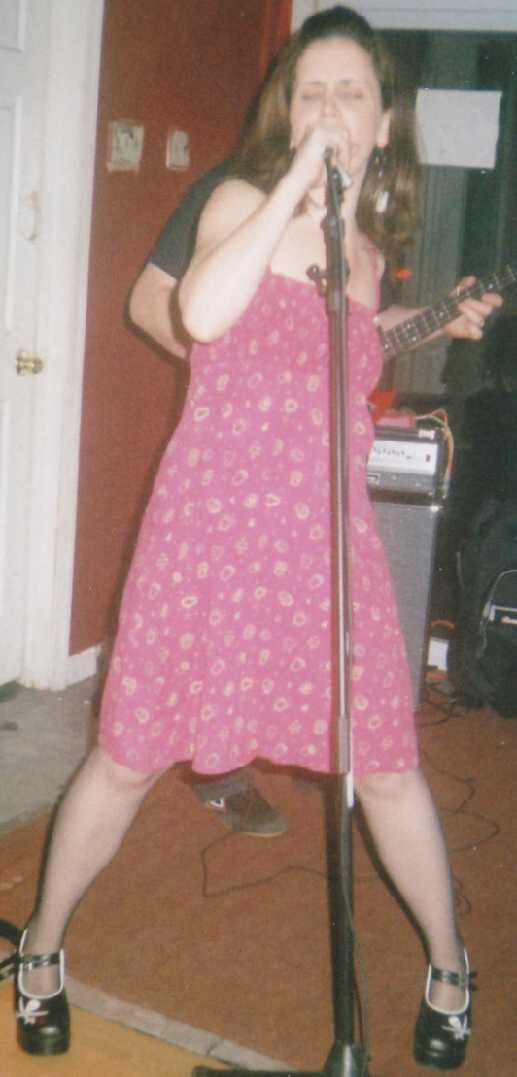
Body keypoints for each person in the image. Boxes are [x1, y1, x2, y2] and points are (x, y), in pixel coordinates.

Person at [14, 6, 501, 1068]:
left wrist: (434, 319)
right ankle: (40, 949)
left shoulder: (363, 255)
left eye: (350, 93)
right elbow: (202, 314)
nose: (330, 108)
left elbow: (345, 352)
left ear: (383, 122)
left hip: (326, 543)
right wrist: (293, 188)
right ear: (289, 111)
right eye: (311, 91)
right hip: (209, 531)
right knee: (127, 755)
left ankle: (450, 964)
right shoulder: (241, 200)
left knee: (386, 762)